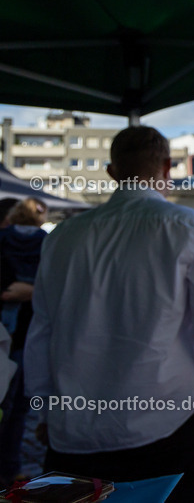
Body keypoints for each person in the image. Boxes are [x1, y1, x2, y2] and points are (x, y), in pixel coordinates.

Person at [24, 126, 194, 502]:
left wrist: (43, 410)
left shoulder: (61, 236)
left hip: (73, 432)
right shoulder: (192, 228)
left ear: (112, 172)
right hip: (167, 429)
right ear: (167, 167)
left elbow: (41, 331)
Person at [0, 198, 48, 488]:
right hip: (28, 334)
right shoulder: (47, 242)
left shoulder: (3, 240)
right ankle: (11, 466)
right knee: (19, 406)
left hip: (7, 332)